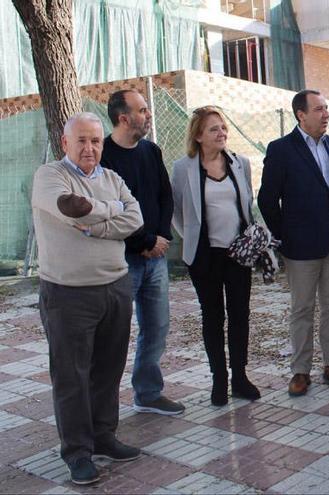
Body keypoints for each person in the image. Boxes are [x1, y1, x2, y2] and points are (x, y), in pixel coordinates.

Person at [31, 112, 144, 485]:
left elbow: (137, 219)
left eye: (95, 141)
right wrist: (114, 212)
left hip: (115, 287)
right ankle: (77, 453)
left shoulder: (112, 178)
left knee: (108, 370)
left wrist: (97, 227)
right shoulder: (51, 176)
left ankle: (103, 436)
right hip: (68, 293)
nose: (89, 148)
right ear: (65, 143)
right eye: (81, 140)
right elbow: (71, 209)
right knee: (71, 377)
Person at [258, 90, 329, 397]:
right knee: (302, 308)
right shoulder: (281, 149)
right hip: (300, 246)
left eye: (327, 109)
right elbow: (267, 199)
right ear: (301, 114)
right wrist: (283, 236)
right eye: (319, 110)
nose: (325, 114)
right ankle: (300, 372)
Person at [171, 106, 261, 406]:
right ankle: (218, 380)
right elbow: (177, 210)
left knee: (240, 315)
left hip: (238, 253)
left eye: (223, 127)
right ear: (198, 135)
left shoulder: (240, 163)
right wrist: (192, 240)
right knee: (212, 317)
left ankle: (240, 377)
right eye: (213, 129)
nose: (221, 132)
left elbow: (246, 204)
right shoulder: (183, 168)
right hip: (204, 257)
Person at [101, 90, 184, 416]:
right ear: (124, 118)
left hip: (156, 257)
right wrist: (145, 242)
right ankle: (102, 406)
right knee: (114, 334)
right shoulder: (103, 155)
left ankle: (148, 393)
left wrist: (161, 237)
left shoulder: (151, 151)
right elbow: (111, 212)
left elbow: (165, 196)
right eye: (143, 110)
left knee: (157, 327)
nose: (149, 114)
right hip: (121, 260)